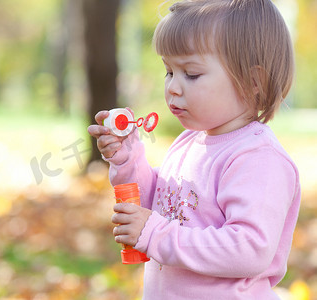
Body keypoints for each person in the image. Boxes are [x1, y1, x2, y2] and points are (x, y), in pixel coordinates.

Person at [87, 0, 301, 299]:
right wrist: (127, 158)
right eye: (168, 72)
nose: (173, 87)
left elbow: (249, 249)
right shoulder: (190, 143)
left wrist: (156, 234)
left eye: (191, 74)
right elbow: (155, 207)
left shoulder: (258, 159)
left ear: (253, 81)